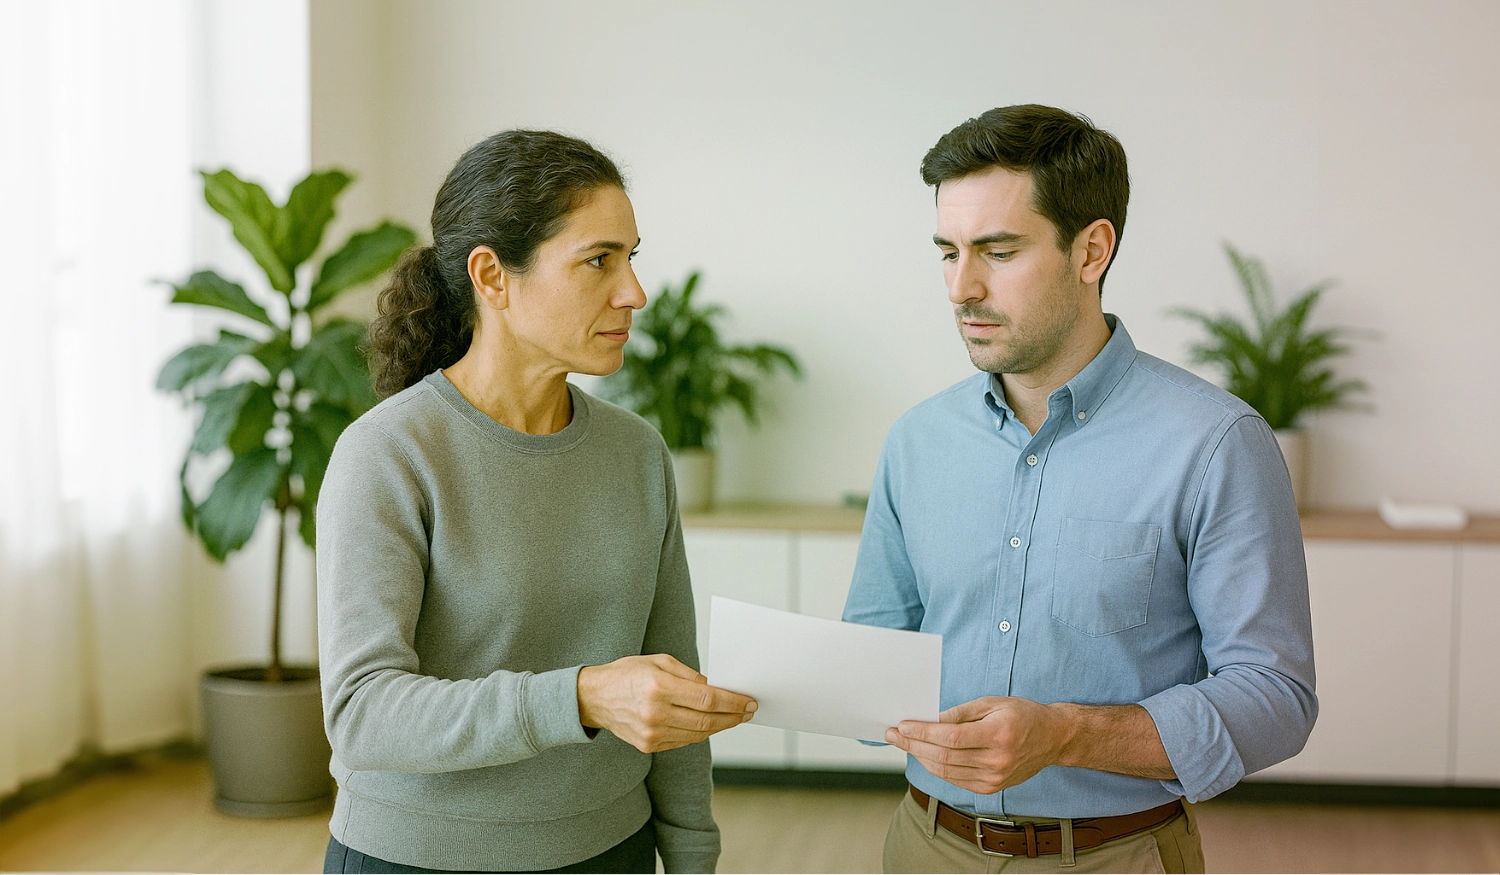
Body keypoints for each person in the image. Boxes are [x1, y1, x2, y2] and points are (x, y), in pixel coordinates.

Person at [842, 105, 1317, 873]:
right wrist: (763, 682)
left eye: (998, 250)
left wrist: (1065, 733)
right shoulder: (916, 441)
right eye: (947, 251)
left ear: (1092, 249)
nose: (962, 287)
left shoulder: (1216, 443)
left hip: (1115, 856)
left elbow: (1276, 697)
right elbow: (872, 663)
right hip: (922, 844)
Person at [315, 130, 756, 874]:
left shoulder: (637, 452)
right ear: (492, 276)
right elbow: (363, 711)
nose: (634, 293)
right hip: (418, 858)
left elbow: (671, 678)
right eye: (598, 260)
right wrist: (579, 697)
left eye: (631, 257)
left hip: (611, 850)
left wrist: (692, 854)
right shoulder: (388, 453)